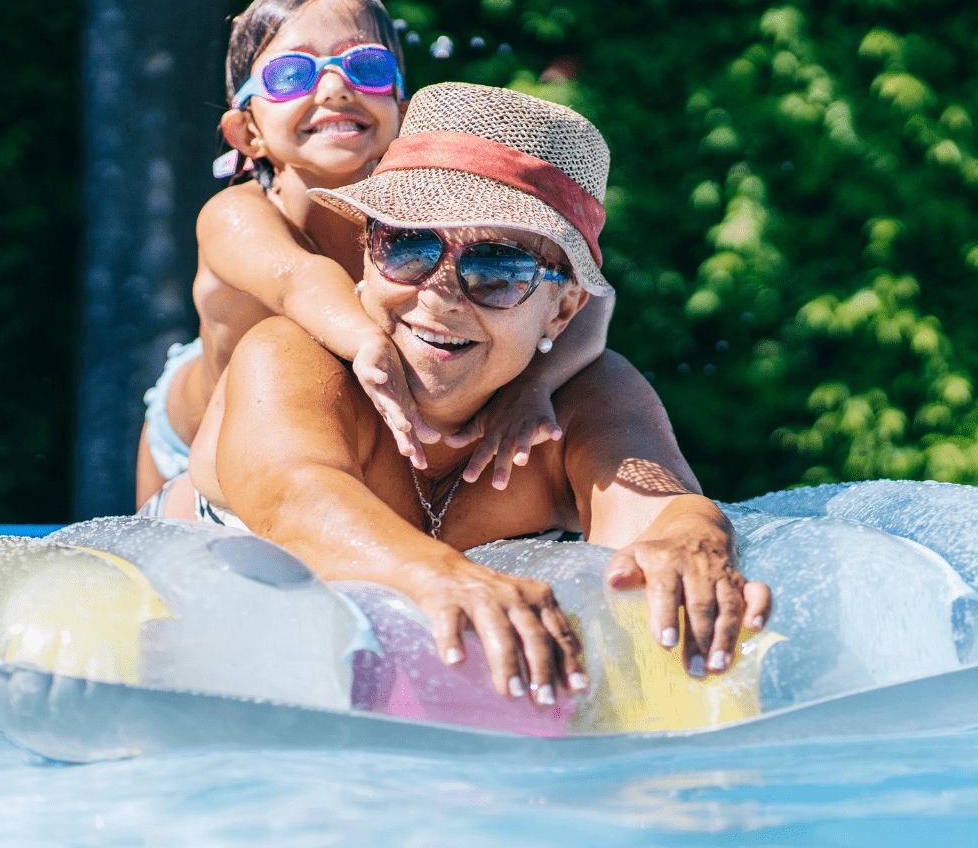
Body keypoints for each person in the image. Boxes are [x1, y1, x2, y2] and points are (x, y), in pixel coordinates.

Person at [186, 82, 772, 701]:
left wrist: (691, 542)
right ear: (366, 253)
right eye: (408, 245)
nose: (438, 294)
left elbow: (660, 508)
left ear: (562, 310)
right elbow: (293, 497)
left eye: (497, 267)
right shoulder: (294, 355)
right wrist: (441, 575)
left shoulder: (583, 402)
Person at [136, 0, 614, 514]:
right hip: (195, 435)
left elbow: (592, 295)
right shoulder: (234, 215)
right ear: (248, 133)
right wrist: (370, 342)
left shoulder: (428, 215)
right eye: (291, 74)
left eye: (366, 67)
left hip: (321, 424)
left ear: (404, 114)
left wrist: (537, 387)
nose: (336, 88)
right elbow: (301, 279)